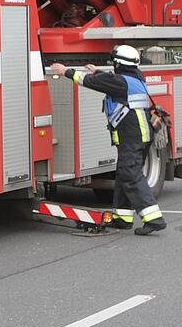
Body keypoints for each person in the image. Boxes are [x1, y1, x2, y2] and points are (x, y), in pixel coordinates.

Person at [49, 45, 168, 235]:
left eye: (114, 63)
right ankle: (123, 217)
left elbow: (90, 81)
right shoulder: (135, 77)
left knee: (130, 174)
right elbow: (112, 80)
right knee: (124, 174)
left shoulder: (120, 82)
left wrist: (65, 71)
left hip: (132, 137)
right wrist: (100, 71)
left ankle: (154, 219)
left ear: (119, 64)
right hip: (138, 136)